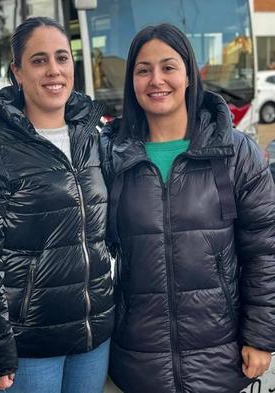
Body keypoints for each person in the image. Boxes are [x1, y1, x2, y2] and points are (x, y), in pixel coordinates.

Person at [101, 23, 275, 393]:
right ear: (132, 81)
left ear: (189, 76)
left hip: (220, 358)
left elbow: (266, 250)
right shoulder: (111, 156)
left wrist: (260, 335)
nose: (156, 80)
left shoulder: (235, 152)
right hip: (136, 361)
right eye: (143, 69)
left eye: (168, 67)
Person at [0, 16, 114, 393]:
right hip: (31, 344)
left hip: (93, 334)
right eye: (39, 60)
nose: (54, 70)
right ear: (17, 72)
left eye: (62, 58)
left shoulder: (92, 136)